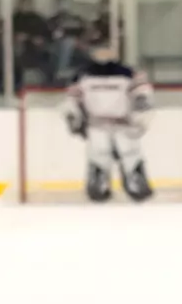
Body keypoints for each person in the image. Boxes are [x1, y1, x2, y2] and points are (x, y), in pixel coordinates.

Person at [64, 44, 153, 202]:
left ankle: (136, 184)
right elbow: (73, 98)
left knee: (130, 152)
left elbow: (142, 93)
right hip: (97, 123)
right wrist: (74, 117)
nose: (103, 55)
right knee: (99, 154)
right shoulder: (83, 74)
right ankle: (98, 186)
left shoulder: (128, 73)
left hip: (123, 123)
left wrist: (141, 111)